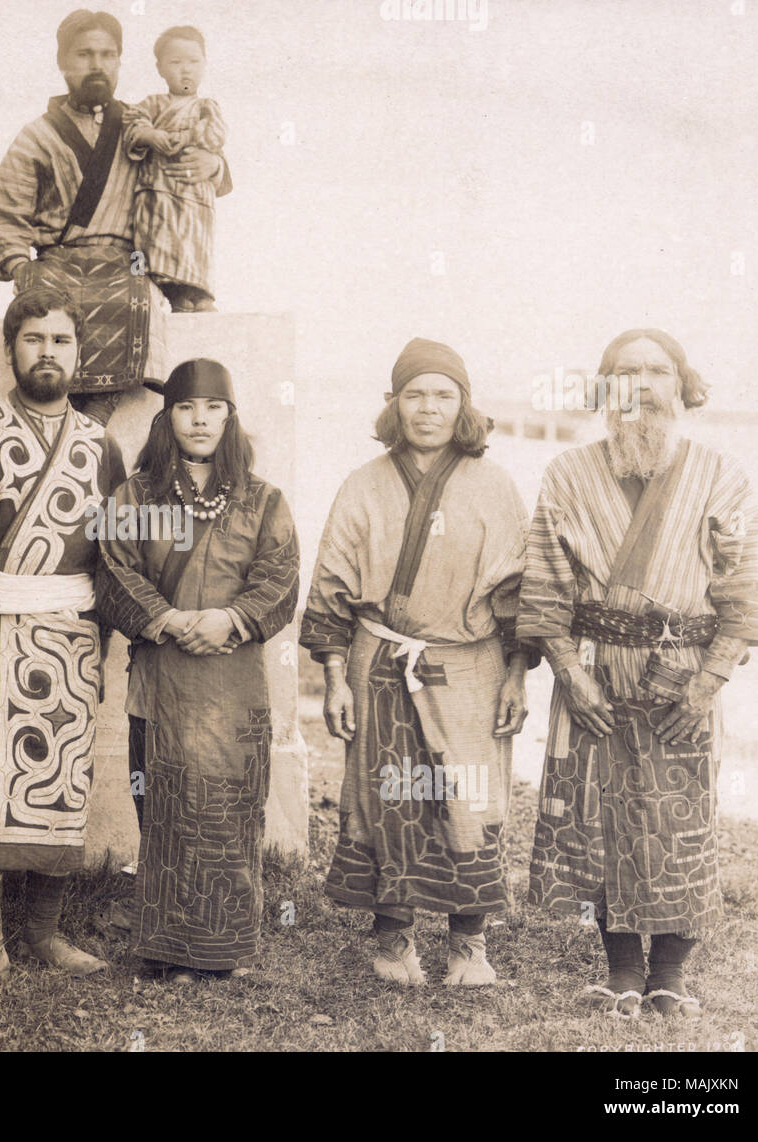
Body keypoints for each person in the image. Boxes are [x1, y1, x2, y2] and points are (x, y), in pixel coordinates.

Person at [519, 329, 758, 1019]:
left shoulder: (721, 474)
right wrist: (569, 671)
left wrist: (710, 679)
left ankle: (672, 976)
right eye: (626, 370)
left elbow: (744, 590)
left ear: (681, 387)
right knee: (605, 822)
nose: (642, 382)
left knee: (681, 822)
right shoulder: (568, 474)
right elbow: (543, 586)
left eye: (658, 370)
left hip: (684, 680)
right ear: (605, 388)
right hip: (593, 674)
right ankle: (622, 972)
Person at [300, 339, 535, 987]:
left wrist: (516, 674)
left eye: (443, 394)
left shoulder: (494, 486)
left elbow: (521, 591)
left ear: (462, 405)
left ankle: (469, 947)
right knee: (389, 798)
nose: (428, 408)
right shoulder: (363, 484)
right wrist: (334, 677)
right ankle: (395, 941)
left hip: (471, 666)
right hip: (381, 665)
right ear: (395, 404)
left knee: (466, 797)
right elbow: (330, 588)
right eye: (414, 394)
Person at [0, 287, 126, 997]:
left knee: (58, 786)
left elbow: (118, 556)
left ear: (80, 352)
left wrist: (103, 639)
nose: (48, 352)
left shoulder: (101, 448)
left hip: (68, 638)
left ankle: (44, 934)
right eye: (34, 338)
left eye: (61, 340)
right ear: (11, 349)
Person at [96, 359, 299, 981]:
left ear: (230, 417)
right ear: (168, 418)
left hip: (234, 680)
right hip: (163, 679)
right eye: (187, 407)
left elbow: (280, 577)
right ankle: (175, 949)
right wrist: (166, 618)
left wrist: (231, 619)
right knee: (168, 810)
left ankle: (227, 948)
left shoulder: (263, 499)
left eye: (213, 408)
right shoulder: (135, 497)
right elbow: (113, 572)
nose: (200, 419)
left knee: (229, 813)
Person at [0, 8, 231, 426]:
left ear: (119, 62)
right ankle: (52, 411)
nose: (97, 65)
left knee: (141, 292)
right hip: (56, 256)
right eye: (84, 55)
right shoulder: (37, 135)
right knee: (44, 311)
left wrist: (216, 166)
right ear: (63, 62)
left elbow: (189, 156)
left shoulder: (141, 122)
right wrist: (17, 263)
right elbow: (5, 209)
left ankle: (98, 413)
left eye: (107, 55)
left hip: (130, 254)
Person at [123, 26, 227, 313]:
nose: (185, 70)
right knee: (155, 243)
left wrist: (187, 139)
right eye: (176, 62)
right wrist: (151, 136)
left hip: (195, 196)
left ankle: (199, 291)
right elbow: (132, 127)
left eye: (193, 62)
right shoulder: (152, 104)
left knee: (194, 243)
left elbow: (216, 136)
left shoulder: (207, 107)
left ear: (205, 64)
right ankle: (173, 291)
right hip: (158, 192)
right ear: (160, 68)